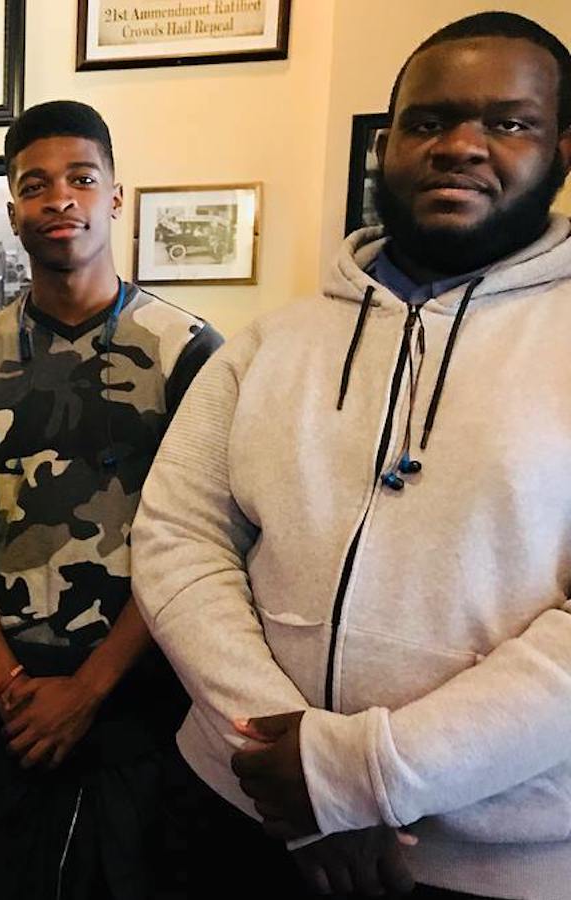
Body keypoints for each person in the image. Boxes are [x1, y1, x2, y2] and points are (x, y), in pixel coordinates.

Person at [131, 12, 571, 899]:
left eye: (508, 122)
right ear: (385, 145)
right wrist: (287, 762)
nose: (460, 146)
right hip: (242, 815)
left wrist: (364, 774)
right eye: (427, 120)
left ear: (563, 149)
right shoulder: (268, 346)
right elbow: (178, 539)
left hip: (489, 859)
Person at [0, 100, 222, 900]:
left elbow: (205, 542)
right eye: (36, 186)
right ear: (13, 213)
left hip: (142, 696)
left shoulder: (190, 352)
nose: (59, 198)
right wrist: (5, 680)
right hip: (10, 696)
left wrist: (90, 690)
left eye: (81, 179)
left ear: (116, 197)